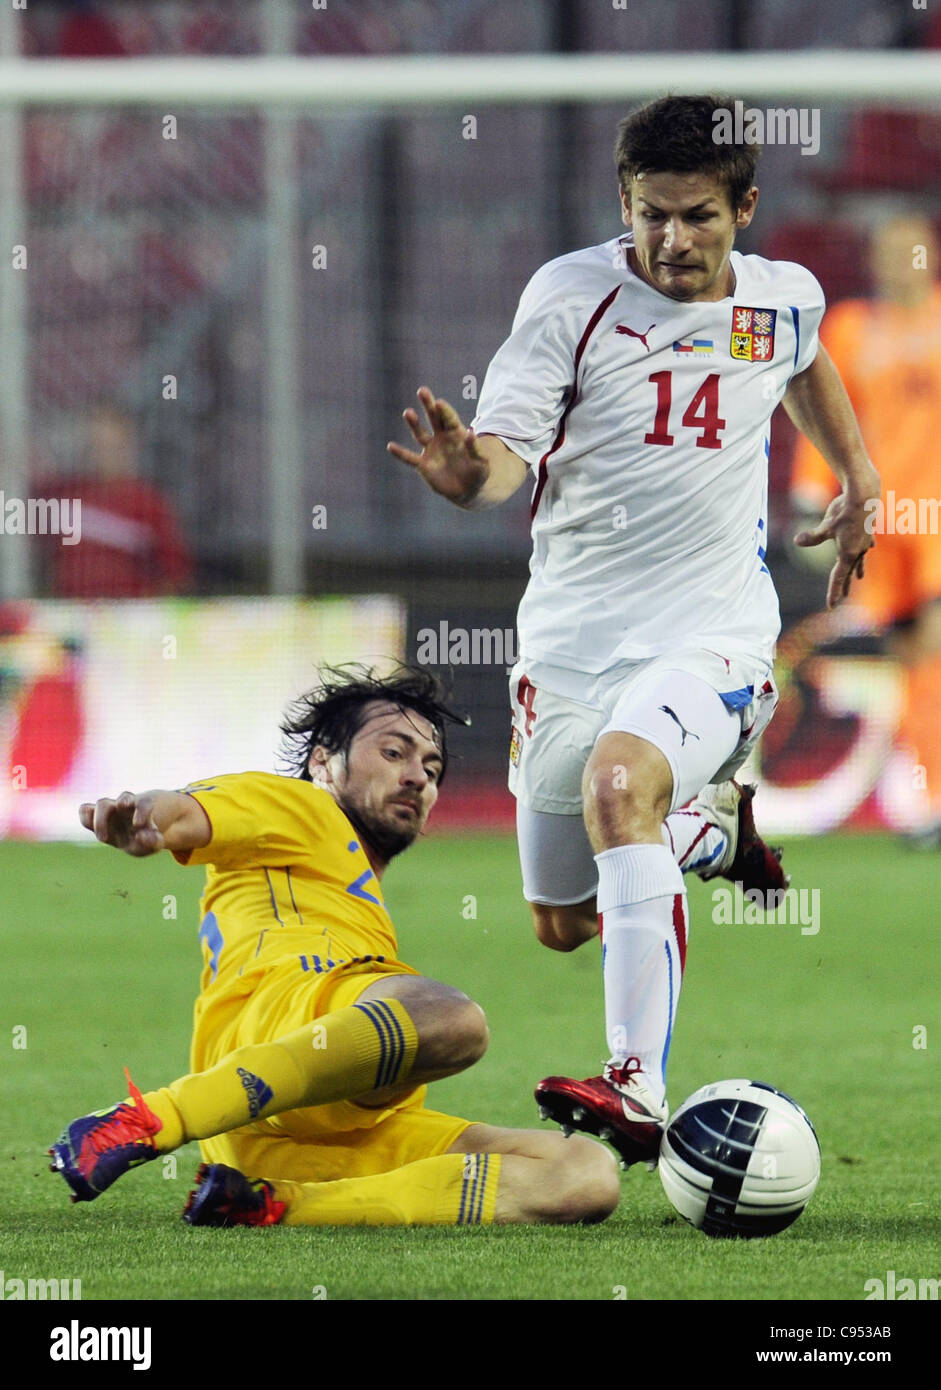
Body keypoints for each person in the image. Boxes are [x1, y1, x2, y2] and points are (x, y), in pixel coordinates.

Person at [388, 94, 880, 1167]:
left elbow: (800, 357)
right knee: (559, 919)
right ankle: (708, 833)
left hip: (713, 635)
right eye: (651, 214)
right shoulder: (571, 297)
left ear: (743, 207)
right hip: (568, 650)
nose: (672, 239)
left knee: (622, 784)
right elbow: (501, 455)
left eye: (697, 215)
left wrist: (857, 473)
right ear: (623, 203)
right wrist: (466, 474)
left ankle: (634, 1090)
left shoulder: (781, 297)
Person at [49, 666, 618, 1228]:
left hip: (310, 1137)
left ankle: (270, 1205)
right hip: (277, 1030)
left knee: (583, 1173)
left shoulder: (351, 882)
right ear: (323, 760)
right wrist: (147, 818)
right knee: (453, 1020)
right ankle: (152, 1117)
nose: (417, 776)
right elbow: (189, 810)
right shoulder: (300, 806)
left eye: (431, 766)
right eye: (394, 753)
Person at [791, 214, 941, 846]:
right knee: (907, 657)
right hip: (881, 518)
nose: (897, 260)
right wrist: (810, 495)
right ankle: (928, 787)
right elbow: (827, 413)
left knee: (934, 641)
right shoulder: (851, 330)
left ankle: (931, 798)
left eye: (909, 249)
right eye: (886, 250)